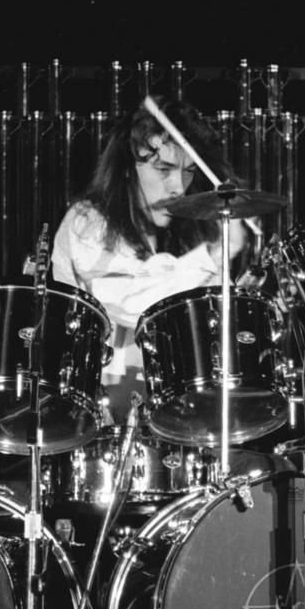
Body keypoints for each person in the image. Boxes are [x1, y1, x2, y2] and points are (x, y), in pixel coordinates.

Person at [51, 96, 250, 423]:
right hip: (92, 418)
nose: (178, 188)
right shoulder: (87, 222)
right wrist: (213, 255)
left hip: (170, 416)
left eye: (188, 172)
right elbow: (136, 305)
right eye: (164, 169)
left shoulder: (188, 230)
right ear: (127, 168)